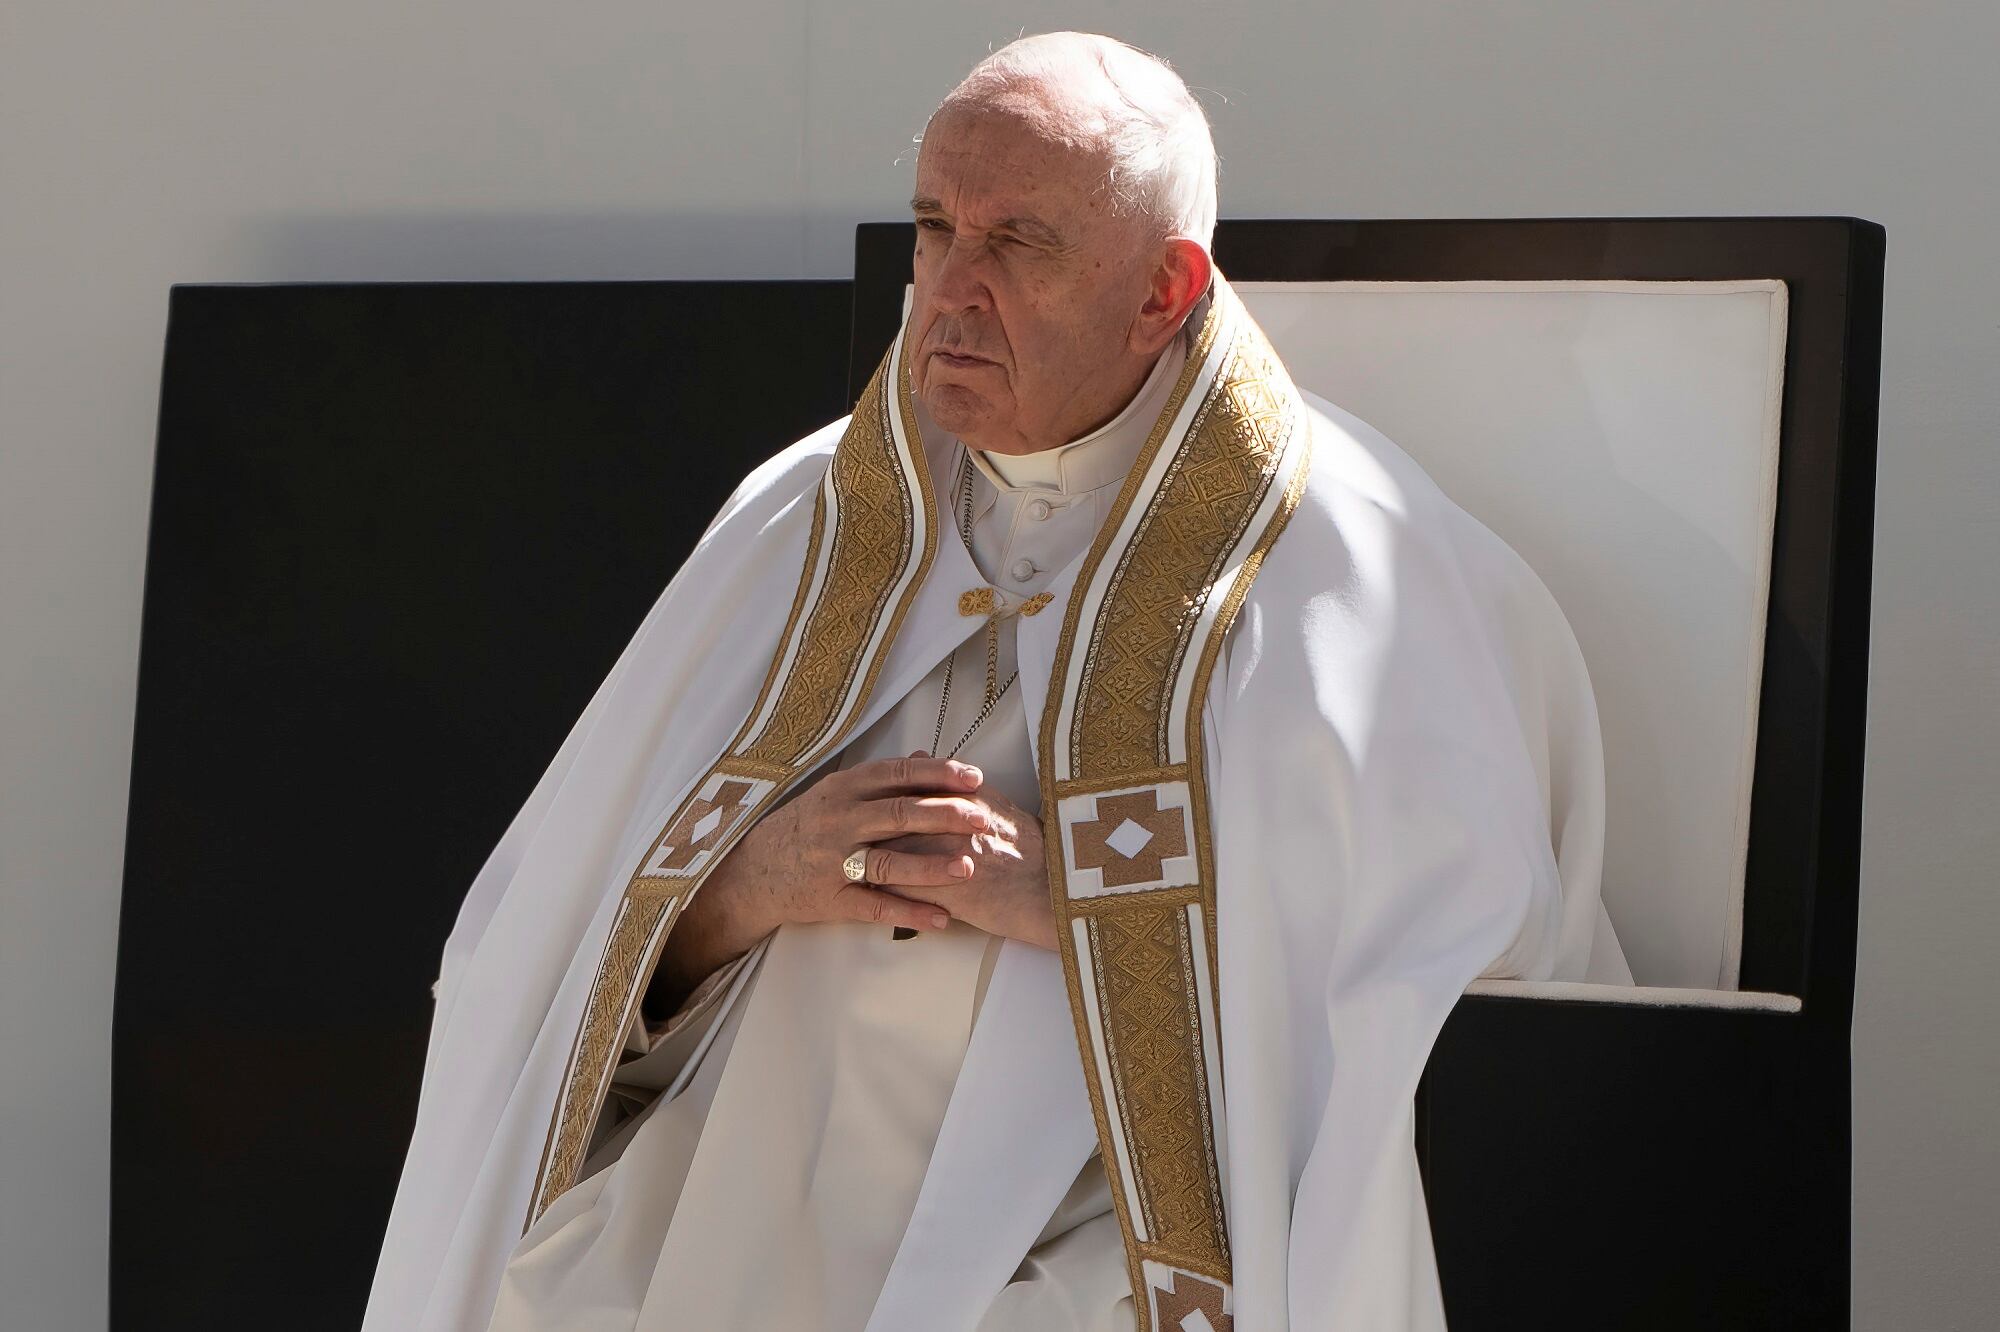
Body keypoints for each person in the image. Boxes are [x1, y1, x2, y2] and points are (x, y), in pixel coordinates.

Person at [363, 30, 1626, 1332]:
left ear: (1162, 291)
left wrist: (1092, 913)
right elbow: (527, 962)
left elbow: (1444, 1022)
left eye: (1019, 243)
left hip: (1097, 1240)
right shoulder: (798, 525)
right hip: (743, 1206)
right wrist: (739, 891)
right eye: (933, 229)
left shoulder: (1348, 572)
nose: (951, 291)